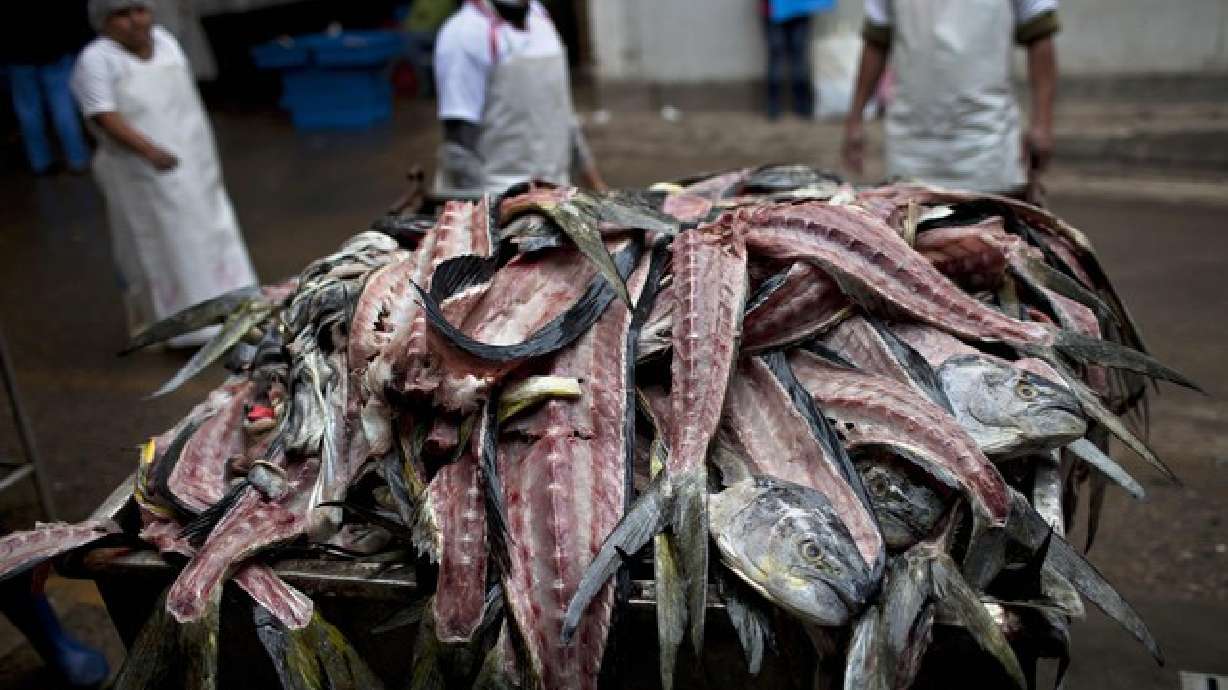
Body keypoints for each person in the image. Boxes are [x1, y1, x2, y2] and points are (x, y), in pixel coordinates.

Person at [70, 0, 257, 347]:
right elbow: (103, 115)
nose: (133, 21)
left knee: (214, 233)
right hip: (142, 171)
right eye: (121, 15)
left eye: (138, 11)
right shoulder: (96, 60)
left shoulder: (166, 41)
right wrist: (148, 150)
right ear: (104, 22)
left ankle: (236, 308)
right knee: (166, 243)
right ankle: (186, 328)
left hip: (195, 163)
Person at [842, 0, 1059, 197]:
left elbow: (1040, 36)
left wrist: (1043, 123)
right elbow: (876, 40)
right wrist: (855, 119)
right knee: (912, 230)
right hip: (911, 143)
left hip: (986, 141)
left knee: (992, 234)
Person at [432, 0, 605, 197]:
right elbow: (459, 149)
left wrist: (597, 185)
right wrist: (488, 213)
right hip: (501, 195)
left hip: (556, 193)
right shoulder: (464, 35)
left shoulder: (541, 19)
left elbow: (564, 116)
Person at [2, 3, 94, 175]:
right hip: (54, 47)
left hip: (16, 54)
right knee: (63, 105)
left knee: (27, 109)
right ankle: (77, 158)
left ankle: (40, 162)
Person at [761, 0, 831, 120]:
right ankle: (778, 105)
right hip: (777, 9)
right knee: (784, 55)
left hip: (796, 9)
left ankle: (796, 104)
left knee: (793, 55)